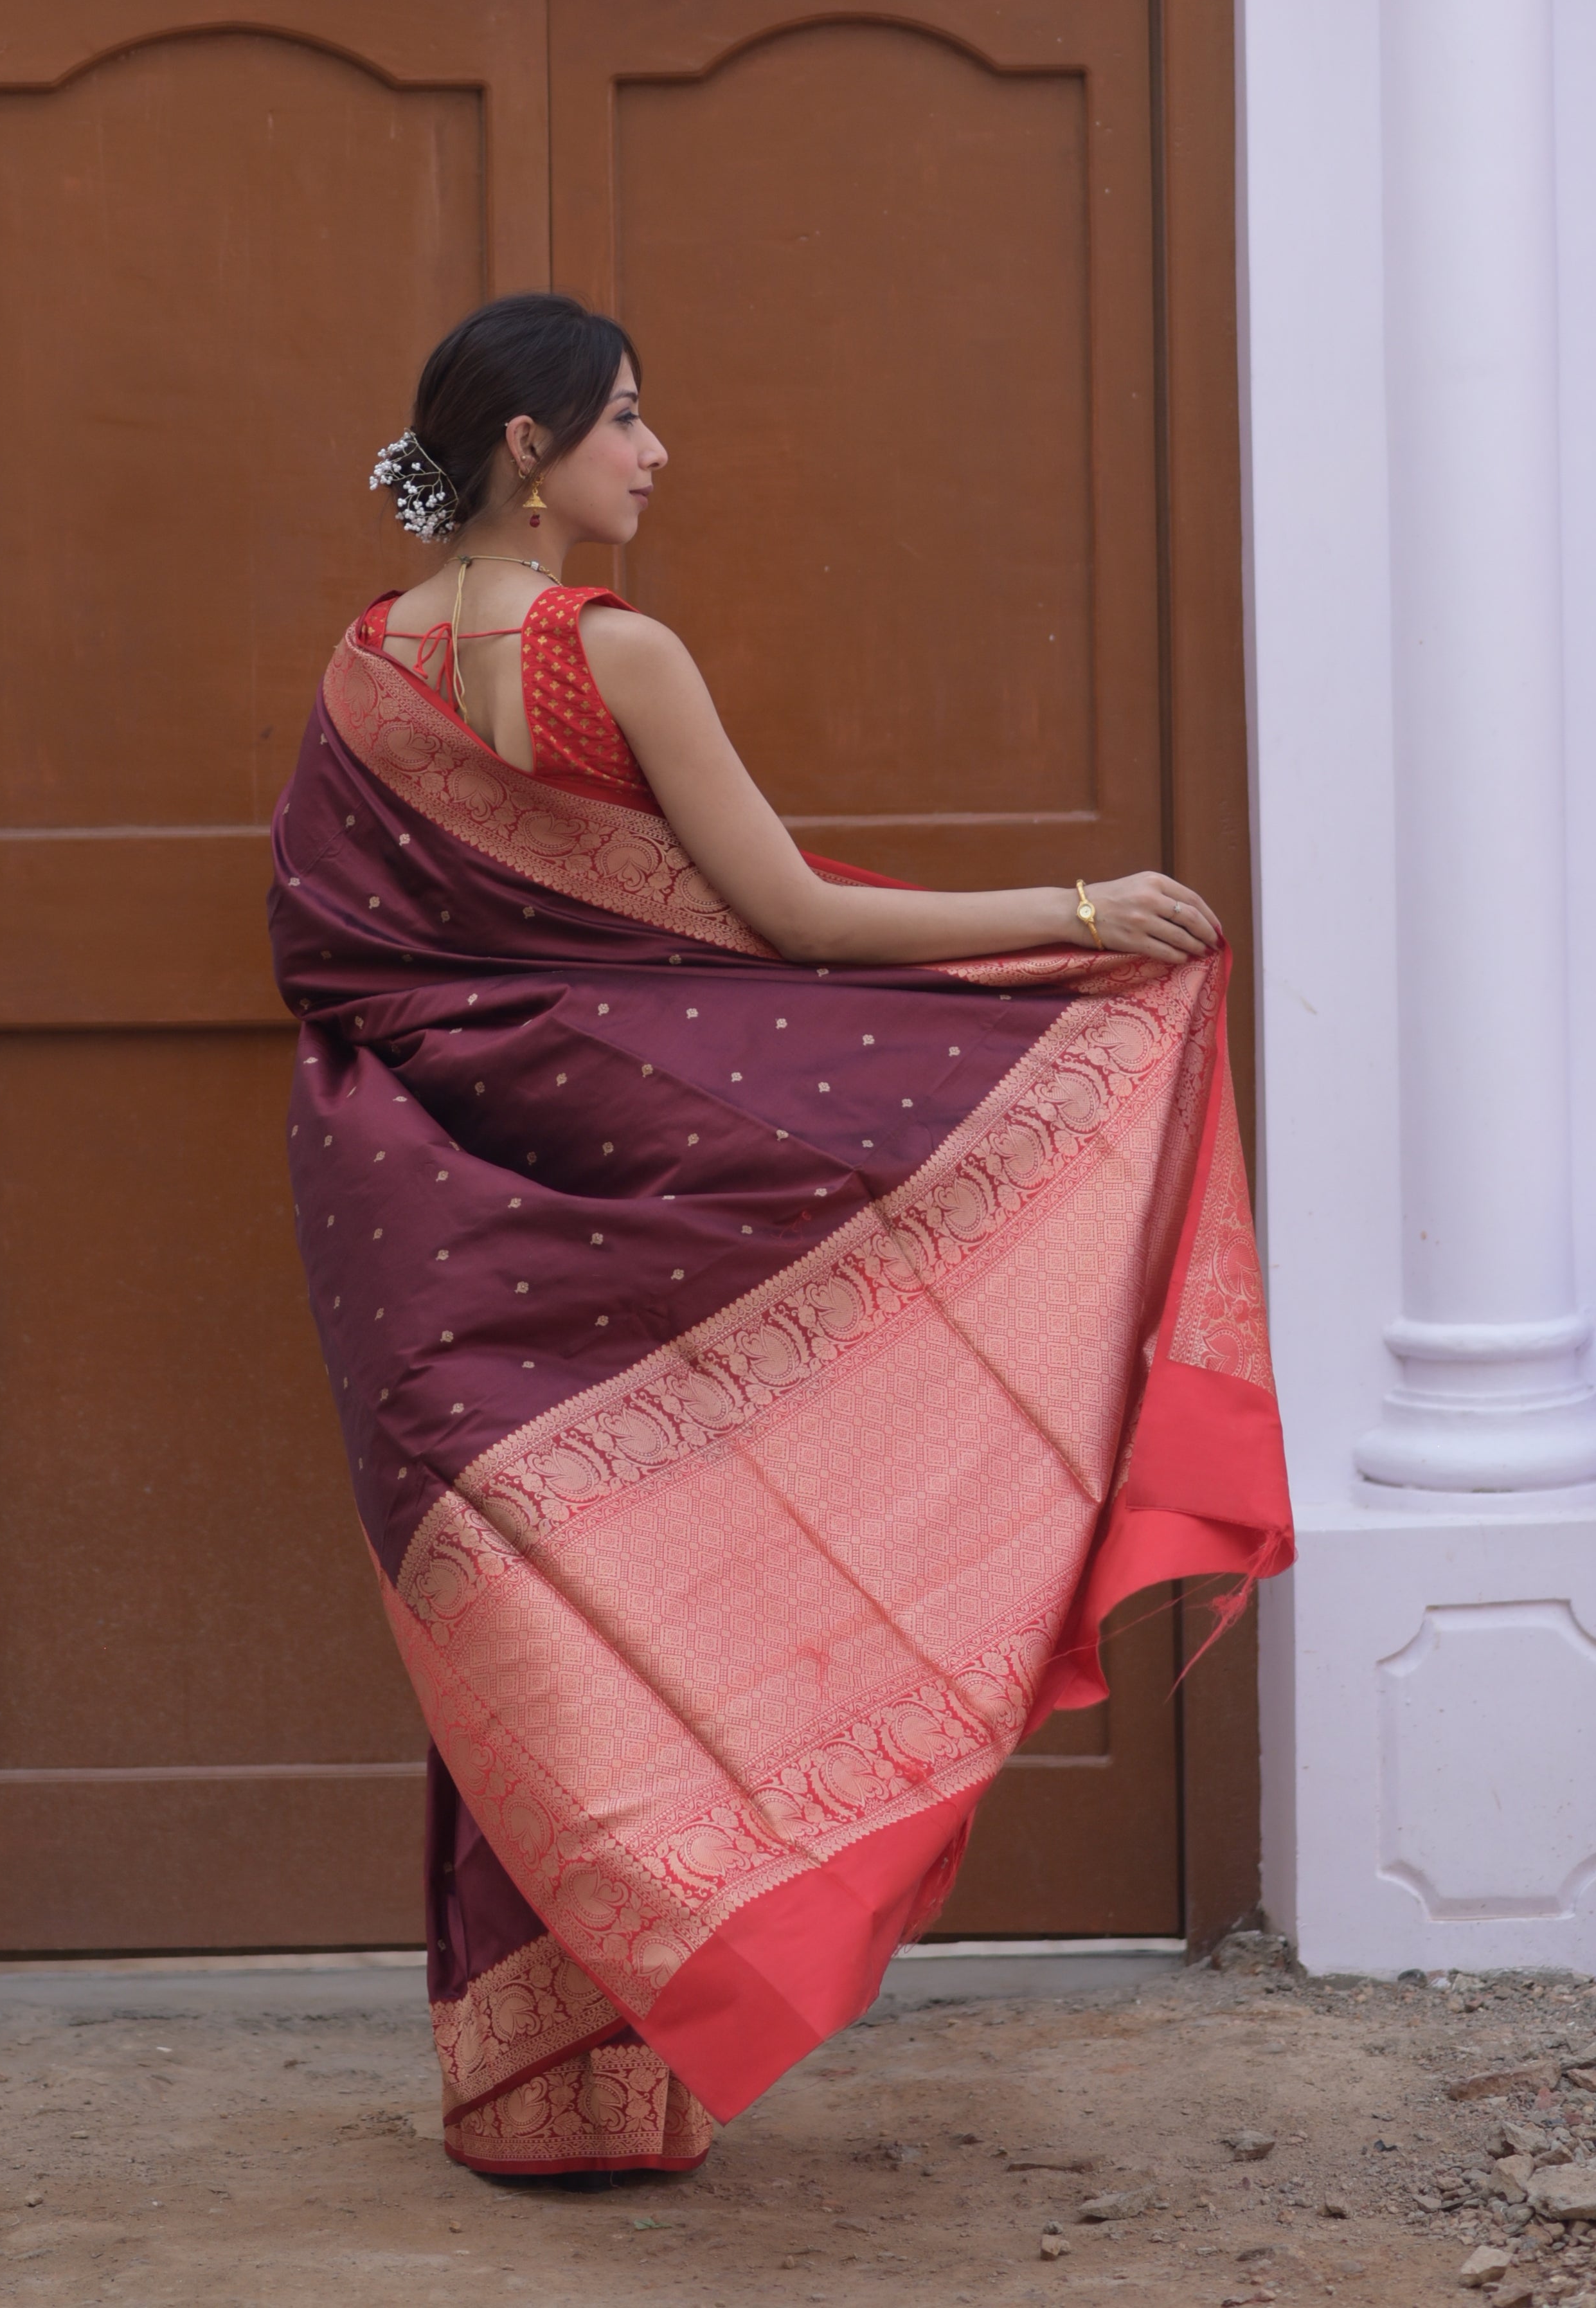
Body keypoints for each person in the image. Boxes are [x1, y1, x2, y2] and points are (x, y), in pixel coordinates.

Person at [271, 293, 1291, 2181]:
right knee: (655, 1583)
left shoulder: (360, 670)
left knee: (549, 1624)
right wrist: (1076, 917)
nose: (656, 457)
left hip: (432, 1235)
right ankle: (626, 2056)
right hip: (602, 1204)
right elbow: (798, 925)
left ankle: (548, 2093)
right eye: (630, 421)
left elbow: (341, 967)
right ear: (529, 445)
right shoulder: (614, 652)